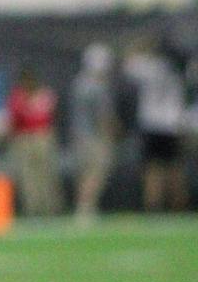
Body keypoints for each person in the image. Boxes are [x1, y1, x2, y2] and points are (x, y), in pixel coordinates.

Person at [127, 36, 190, 212]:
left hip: (151, 124)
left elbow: (129, 62)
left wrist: (142, 45)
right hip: (172, 124)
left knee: (152, 169)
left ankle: (153, 207)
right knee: (175, 169)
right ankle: (179, 206)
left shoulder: (148, 67)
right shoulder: (180, 70)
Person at [69, 43, 119, 222]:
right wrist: (111, 132)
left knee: (84, 173)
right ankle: (85, 208)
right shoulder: (97, 86)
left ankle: (83, 207)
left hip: (79, 136)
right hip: (95, 137)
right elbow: (103, 116)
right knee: (96, 173)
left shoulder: (78, 83)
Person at [5, 65, 61, 218]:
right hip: (24, 138)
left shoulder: (45, 94)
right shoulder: (17, 96)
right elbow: (14, 119)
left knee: (46, 174)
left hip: (42, 136)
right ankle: (33, 209)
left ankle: (50, 208)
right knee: (27, 176)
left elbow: (47, 116)